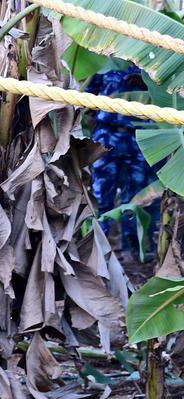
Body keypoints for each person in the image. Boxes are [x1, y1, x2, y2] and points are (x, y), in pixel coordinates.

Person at [86, 65, 158, 258]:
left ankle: (135, 247)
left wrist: (146, 81)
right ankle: (96, 246)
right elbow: (87, 98)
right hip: (106, 136)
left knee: (137, 195)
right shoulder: (107, 63)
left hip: (139, 137)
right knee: (101, 192)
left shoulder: (151, 66)